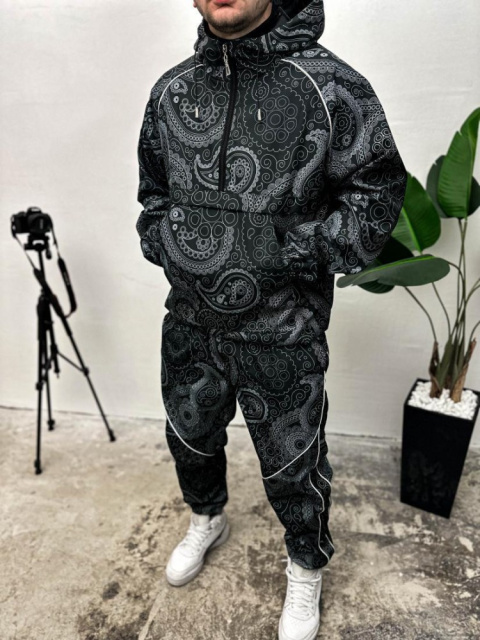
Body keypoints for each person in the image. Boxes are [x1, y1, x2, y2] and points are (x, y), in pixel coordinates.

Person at [135, 0, 408, 638]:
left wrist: (286, 247)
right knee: (190, 438)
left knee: (294, 463)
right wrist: (167, 241)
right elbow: (153, 194)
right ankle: (207, 518)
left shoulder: (331, 86)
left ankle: (306, 564)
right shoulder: (172, 91)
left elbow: (377, 196)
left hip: (283, 332)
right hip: (191, 324)